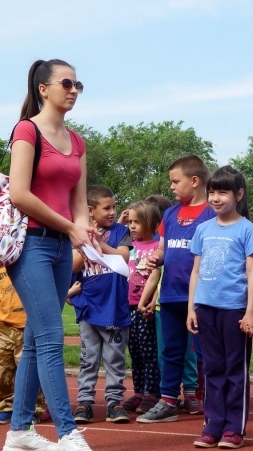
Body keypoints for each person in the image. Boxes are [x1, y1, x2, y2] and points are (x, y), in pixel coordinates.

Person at [2, 59, 95, 451]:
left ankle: (19, 431)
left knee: (40, 342)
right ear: (44, 88)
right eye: (67, 83)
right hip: (32, 244)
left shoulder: (77, 142)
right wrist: (69, 226)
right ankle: (68, 433)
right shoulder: (27, 130)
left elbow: (80, 202)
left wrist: (83, 233)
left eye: (79, 85)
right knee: (53, 338)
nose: (73, 90)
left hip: (61, 247)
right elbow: (19, 193)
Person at [137, 155, 215, 424]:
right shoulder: (170, 214)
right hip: (170, 294)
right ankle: (168, 400)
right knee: (170, 350)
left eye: (175, 181)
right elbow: (161, 248)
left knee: (206, 351)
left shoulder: (212, 213)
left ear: (194, 181)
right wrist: (154, 258)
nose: (171, 187)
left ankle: (210, 401)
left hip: (202, 296)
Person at [188, 166, 253, 449]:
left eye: (223, 192)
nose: (216, 198)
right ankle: (213, 424)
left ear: (238, 194)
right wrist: (192, 308)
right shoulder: (203, 229)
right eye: (212, 192)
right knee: (212, 369)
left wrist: (251, 311)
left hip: (234, 310)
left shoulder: (248, 229)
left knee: (235, 369)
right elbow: (196, 271)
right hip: (206, 308)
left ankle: (234, 428)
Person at [70, 185, 132, 425]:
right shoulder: (78, 232)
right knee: (88, 358)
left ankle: (114, 402)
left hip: (114, 309)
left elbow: (122, 257)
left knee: (115, 358)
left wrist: (99, 244)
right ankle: (85, 402)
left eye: (114, 207)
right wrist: (86, 242)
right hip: (88, 309)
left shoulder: (121, 231)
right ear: (90, 210)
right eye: (106, 208)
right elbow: (74, 266)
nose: (112, 212)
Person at [0, 267, 49, 425]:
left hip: (28, 326)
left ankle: (32, 409)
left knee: (29, 369)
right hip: (4, 328)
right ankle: (4, 408)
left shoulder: (29, 265)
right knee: (1, 370)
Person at [123, 201, 162, 414]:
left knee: (149, 353)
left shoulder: (157, 247)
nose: (132, 226)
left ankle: (152, 393)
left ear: (151, 223)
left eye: (137, 222)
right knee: (135, 352)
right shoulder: (127, 246)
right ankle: (138, 392)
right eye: (130, 222)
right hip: (127, 307)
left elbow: (158, 277)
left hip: (145, 308)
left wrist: (152, 300)